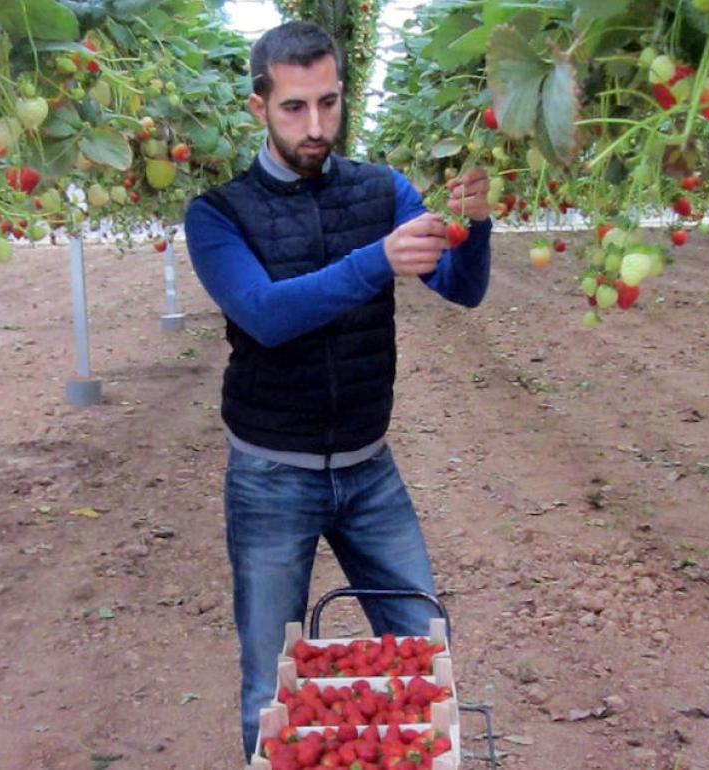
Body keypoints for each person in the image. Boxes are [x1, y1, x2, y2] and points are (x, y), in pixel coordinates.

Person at [181, 20, 492, 762]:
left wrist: (473, 229)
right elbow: (265, 315)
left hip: (369, 468)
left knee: (423, 648)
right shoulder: (217, 214)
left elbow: (461, 289)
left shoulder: (381, 190)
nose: (315, 125)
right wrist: (376, 260)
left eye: (328, 103)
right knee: (270, 685)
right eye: (294, 108)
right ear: (259, 107)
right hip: (269, 477)